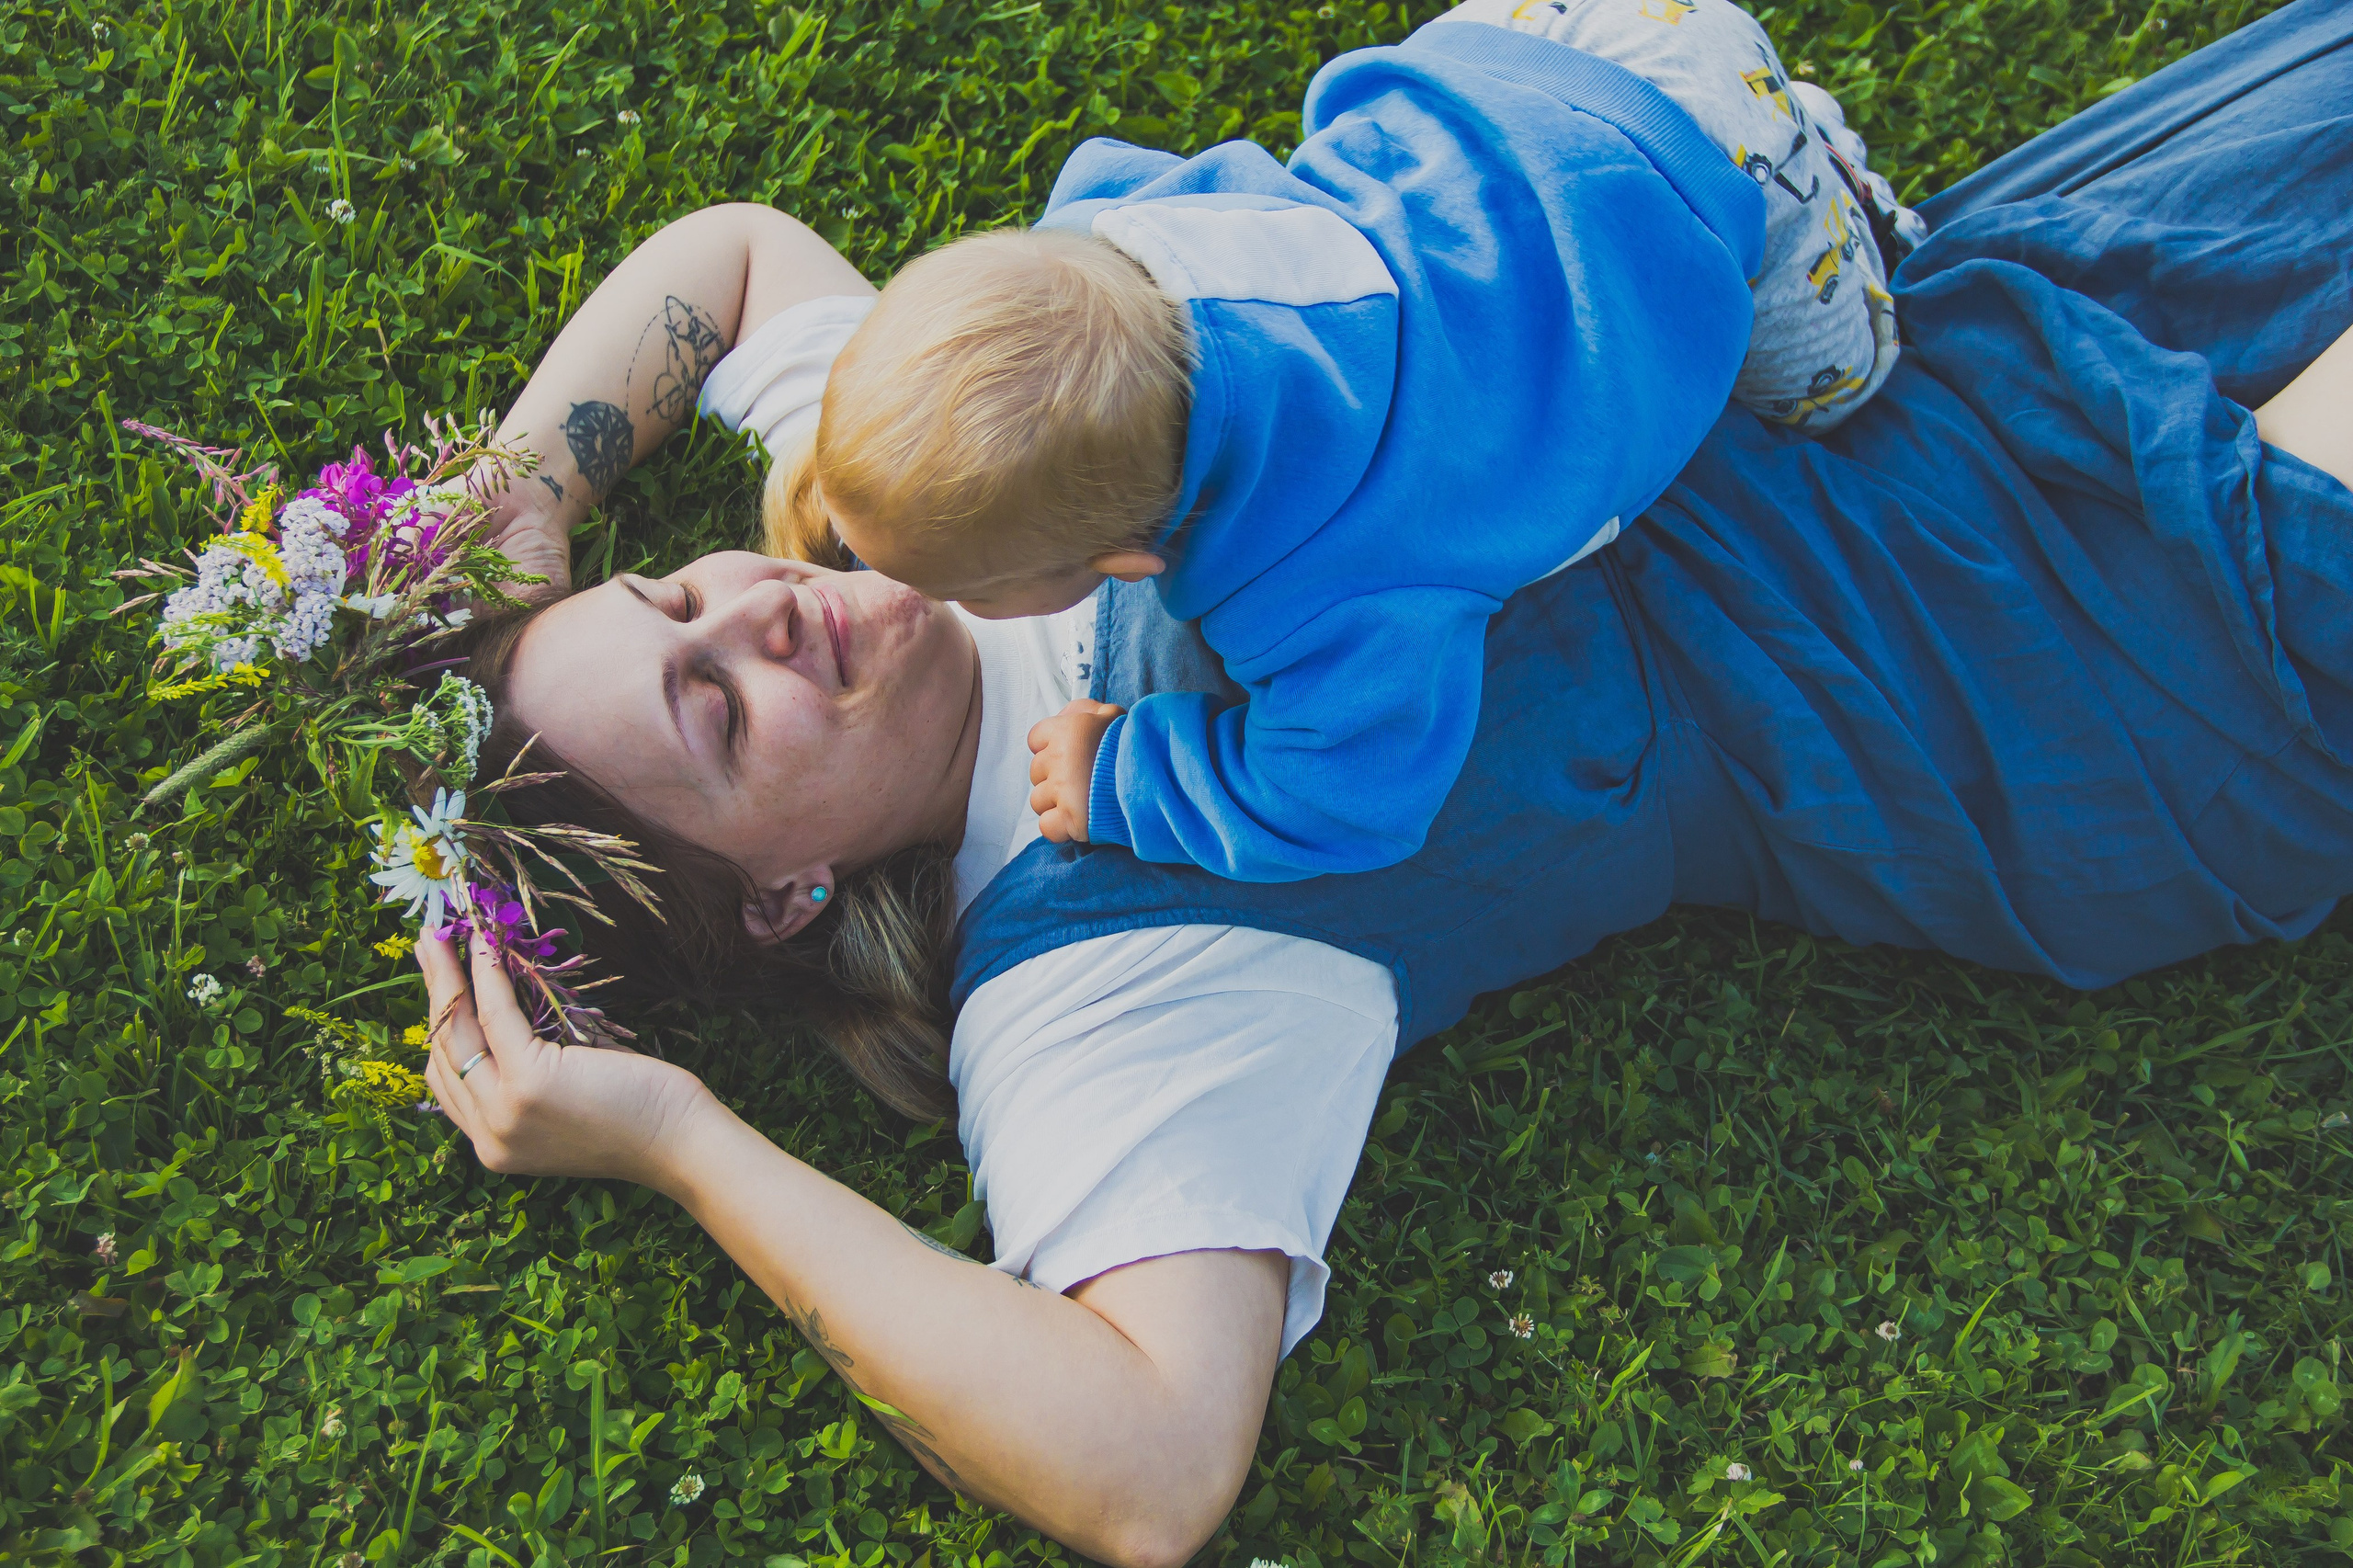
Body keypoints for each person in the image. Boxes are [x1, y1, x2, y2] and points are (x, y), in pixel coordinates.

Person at [432, 2, 2353, 1562]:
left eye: (678, 587)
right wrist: (676, 1137)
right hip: (2035, 670)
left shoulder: (940, 449)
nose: (763, 611)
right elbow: (1144, 1473)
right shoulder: (1102, 954)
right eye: (708, 712)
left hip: (1917, 332)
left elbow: (733, 258)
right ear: (781, 897)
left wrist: (509, 509)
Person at [756, 0, 1925, 887]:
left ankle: (1836, 185)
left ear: (1119, 566)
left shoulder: (1327, 586)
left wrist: (1126, 776)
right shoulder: (1139, 233)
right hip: (1539, 42)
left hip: (1711, 177)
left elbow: (1347, 798)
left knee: (1837, 387)